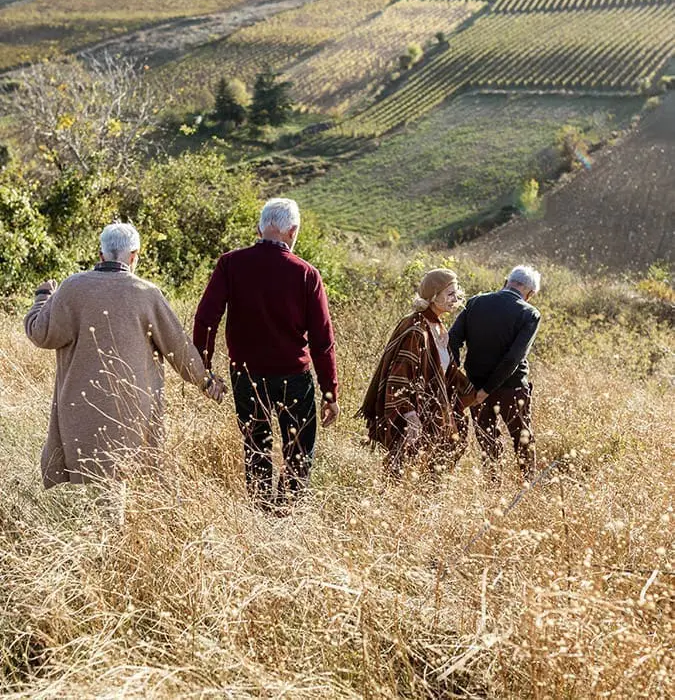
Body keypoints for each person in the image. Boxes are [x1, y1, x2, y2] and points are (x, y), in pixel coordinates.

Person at [24, 223, 224, 489]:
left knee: (81, 495)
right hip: (133, 415)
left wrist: (43, 297)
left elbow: (40, 334)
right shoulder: (147, 293)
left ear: (101, 255)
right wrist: (206, 382)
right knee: (131, 487)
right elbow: (179, 349)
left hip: (79, 415)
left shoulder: (73, 287)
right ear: (134, 256)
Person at [193, 198, 339, 506]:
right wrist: (329, 393)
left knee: (255, 446)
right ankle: (286, 516)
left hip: (246, 375)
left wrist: (203, 369)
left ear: (260, 228)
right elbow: (322, 340)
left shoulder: (230, 264)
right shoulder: (306, 274)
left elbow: (206, 319)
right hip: (293, 377)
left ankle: (261, 511)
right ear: (292, 231)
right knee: (298, 451)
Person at [358, 269, 475, 476]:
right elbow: (400, 376)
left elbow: (444, 372)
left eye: (456, 293)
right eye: (449, 294)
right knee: (401, 472)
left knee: (434, 470)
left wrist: (472, 391)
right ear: (432, 296)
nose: (455, 299)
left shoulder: (438, 326)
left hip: (434, 411)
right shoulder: (415, 328)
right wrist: (410, 415)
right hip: (415, 415)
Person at [449, 265, 541, 483]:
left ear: (506, 281)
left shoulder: (476, 302)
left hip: (474, 385)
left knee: (487, 439)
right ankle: (528, 485)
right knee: (522, 438)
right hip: (512, 388)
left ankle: (493, 486)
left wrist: (458, 376)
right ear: (531, 293)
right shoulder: (529, 313)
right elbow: (513, 359)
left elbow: (453, 339)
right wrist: (489, 389)